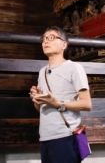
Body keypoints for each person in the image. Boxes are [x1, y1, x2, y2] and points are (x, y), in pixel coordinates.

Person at [30, 26, 92, 163]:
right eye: (44, 39)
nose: (46, 41)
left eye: (51, 37)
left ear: (64, 44)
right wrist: (37, 98)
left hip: (65, 136)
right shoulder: (42, 72)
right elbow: (39, 109)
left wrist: (59, 104)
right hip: (45, 137)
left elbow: (87, 104)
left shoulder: (74, 68)